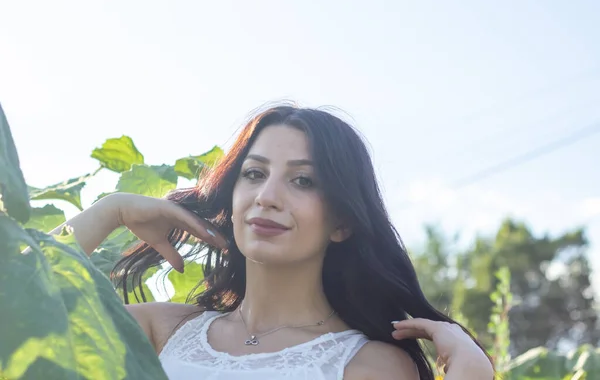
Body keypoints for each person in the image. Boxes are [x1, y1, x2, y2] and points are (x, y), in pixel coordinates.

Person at [50, 105, 495, 379]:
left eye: (303, 181)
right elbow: (14, 309)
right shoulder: (157, 331)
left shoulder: (367, 366)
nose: (267, 197)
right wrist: (108, 212)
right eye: (254, 174)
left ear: (342, 221)